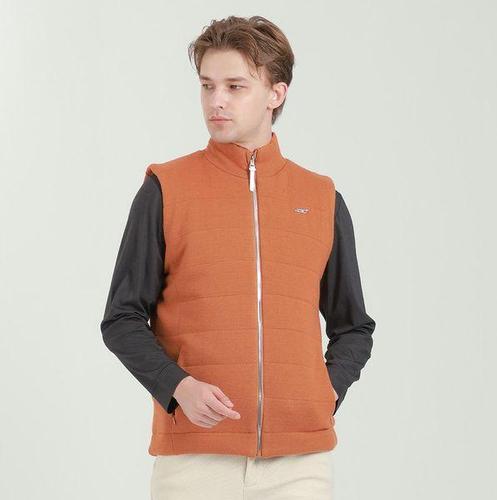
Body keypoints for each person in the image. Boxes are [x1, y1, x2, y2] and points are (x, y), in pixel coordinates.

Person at [100, 14, 376, 500]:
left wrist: (326, 391)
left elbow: (353, 326)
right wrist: (178, 386)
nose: (217, 101)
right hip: (196, 458)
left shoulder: (321, 198)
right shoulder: (165, 189)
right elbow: (121, 318)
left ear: (276, 94)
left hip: (300, 464)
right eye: (207, 86)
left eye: (235, 86)